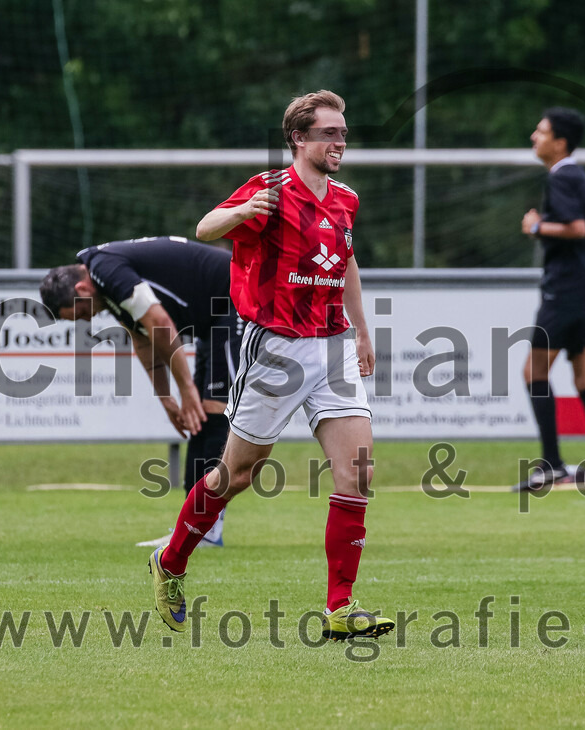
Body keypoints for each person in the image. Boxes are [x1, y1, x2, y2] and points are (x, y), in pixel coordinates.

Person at [147, 90, 394, 641]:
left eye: (344, 132)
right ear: (298, 139)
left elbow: (347, 260)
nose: (340, 142)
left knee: (357, 468)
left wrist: (361, 329)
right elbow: (206, 227)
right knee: (238, 474)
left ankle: (339, 606)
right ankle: (171, 560)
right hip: (275, 348)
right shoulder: (270, 189)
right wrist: (239, 212)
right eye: (329, 133)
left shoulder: (346, 199)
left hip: (331, 345)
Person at [40, 236, 241, 548]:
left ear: (81, 290)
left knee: (212, 409)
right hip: (213, 316)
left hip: (236, 297)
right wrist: (167, 400)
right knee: (199, 416)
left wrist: (185, 389)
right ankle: (192, 527)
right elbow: (145, 341)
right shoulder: (106, 285)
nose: (87, 319)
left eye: (80, 314)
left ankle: (208, 529)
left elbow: (160, 322)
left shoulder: (106, 269)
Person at [516, 107, 585, 492]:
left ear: (559, 142)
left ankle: (551, 465)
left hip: (568, 291)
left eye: (541, 131)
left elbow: (577, 228)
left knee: (534, 372)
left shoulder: (562, 175)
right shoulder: (577, 175)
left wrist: (536, 226)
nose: (534, 136)